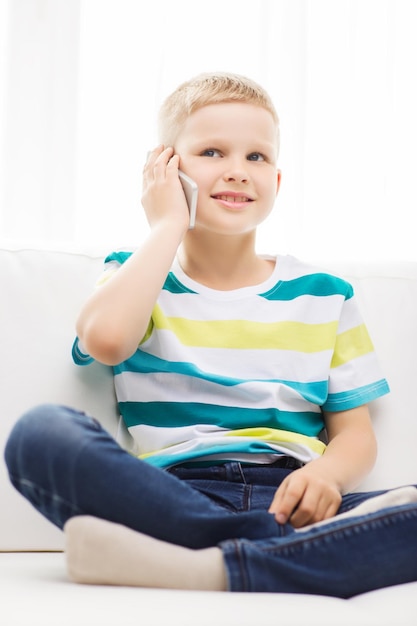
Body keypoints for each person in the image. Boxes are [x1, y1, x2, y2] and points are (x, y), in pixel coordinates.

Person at [4, 72, 417, 597]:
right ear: (166, 169)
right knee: (40, 433)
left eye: (256, 157)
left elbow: (355, 434)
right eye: (213, 152)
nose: (238, 172)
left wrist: (328, 478)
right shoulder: (137, 273)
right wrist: (165, 226)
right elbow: (108, 341)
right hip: (171, 493)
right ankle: (273, 553)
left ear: (278, 181)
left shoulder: (326, 294)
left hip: (292, 494)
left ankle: (206, 564)